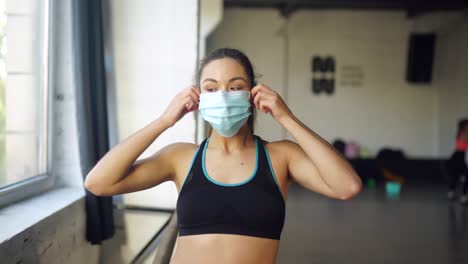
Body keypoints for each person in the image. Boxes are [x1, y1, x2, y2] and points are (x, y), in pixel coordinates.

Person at [84, 48, 362, 264]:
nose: (223, 96)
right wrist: (164, 121)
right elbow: (98, 182)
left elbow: (346, 187)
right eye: (211, 88)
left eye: (235, 86)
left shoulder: (280, 156)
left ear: (253, 93)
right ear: (199, 96)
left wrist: (286, 118)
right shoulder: (181, 157)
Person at [447, 118, 468, 204]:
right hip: (460, 156)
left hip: (464, 155)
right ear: (463, 126)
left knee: (465, 177)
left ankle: (463, 196)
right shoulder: (462, 133)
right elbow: (464, 141)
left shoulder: (463, 133)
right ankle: (453, 193)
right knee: (456, 176)